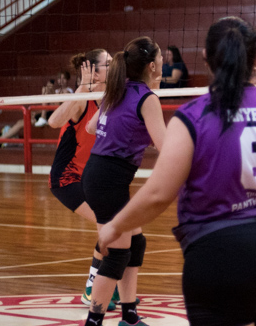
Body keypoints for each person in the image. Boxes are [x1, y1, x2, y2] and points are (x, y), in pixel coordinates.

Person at [97, 18, 256, 326]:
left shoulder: (192, 117)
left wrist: (115, 226)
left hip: (217, 251)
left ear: (205, 57)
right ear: (255, 57)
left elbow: (159, 194)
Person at [81, 37, 166, 326]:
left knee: (136, 243)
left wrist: (132, 132)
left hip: (99, 174)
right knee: (117, 254)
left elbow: (92, 127)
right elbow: (166, 147)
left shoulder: (117, 89)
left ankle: (129, 316)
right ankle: (93, 322)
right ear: (152, 66)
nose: (163, 61)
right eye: (160, 57)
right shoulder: (147, 98)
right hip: (108, 180)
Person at [47, 50, 116, 308]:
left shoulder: (110, 99)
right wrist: (81, 90)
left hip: (91, 178)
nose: (114, 65)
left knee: (118, 228)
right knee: (109, 227)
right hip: (66, 179)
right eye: (108, 63)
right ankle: (92, 288)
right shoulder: (82, 100)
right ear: (95, 72)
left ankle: (109, 286)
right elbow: (54, 121)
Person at [0, 70, 74, 145]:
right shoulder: (56, 91)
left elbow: (57, 106)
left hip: (57, 116)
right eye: (59, 78)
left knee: (45, 91)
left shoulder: (69, 91)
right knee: (20, 122)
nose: (61, 80)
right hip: (48, 114)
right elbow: (47, 106)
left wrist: (51, 92)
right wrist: (35, 113)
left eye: (64, 78)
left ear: (68, 80)